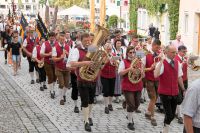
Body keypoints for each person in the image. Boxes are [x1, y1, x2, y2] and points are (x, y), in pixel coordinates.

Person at [154, 45, 186, 133]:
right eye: (172, 52)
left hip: (175, 92)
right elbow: (156, 75)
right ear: (166, 52)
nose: (174, 54)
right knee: (169, 114)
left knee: (171, 116)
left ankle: (164, 130)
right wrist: (161, 61)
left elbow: (179, 77)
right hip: (164, 93)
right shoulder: (162, 63)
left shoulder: (177, 63)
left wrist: (183, 89)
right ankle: (165, 131)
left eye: (175, 52)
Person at [69, 33, 96, 132]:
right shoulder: (77, 50)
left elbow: (98, 62)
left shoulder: (93, 49)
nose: (88, 43)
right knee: (85, 100)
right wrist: (85, 63)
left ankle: (88, 116)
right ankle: (86, 122)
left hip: (93, 78)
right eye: (86, 41)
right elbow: (72, 63)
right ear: (81, 40)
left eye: (89, 41)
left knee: (91, 100)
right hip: (82, 79)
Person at [118, 46, 143, 131]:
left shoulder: (139, 62)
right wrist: (129, 69)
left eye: (133, 52)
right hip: (128, 86)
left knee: (137, 104)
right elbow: (120, 73)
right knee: (131, 105)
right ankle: (130, 122)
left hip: (138, 85)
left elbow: (142, 75)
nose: (132, 54)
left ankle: (129, 112)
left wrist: (142, 72)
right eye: (130, 52)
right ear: (127, 53)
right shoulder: (123, 62)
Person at [142, 39, 161, 126]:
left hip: (157, 79)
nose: (158, 49)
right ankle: (153, 117)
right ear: (153, 45)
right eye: (156, 47)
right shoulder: (146, 55)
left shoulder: (160, 55)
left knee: (155, 98)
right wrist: (150, 68)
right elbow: (142, 69)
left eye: (159, 47)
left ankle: (148, 112)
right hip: (149, 80)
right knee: (153, 98)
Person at [52, 31, 70, 105]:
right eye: (61, 39)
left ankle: (64, 94)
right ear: (58, 39)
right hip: (58, 68)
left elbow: (71, 57)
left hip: (67, 68)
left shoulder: (68, 47)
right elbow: (54, 59)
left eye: (64, 39)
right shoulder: (55, 48)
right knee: (61, 84)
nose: (63, 41)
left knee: (66, 84)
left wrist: (68, 54)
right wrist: (61, 57)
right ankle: (61, 98)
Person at [101, 42, 117, 114]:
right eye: (108, 49)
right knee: (106, 90)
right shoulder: (102, 56)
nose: (109, 50)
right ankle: (106, 106)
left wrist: (115, 63)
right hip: (104, 75)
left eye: (110, 49)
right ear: (105, 49)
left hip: (113, 75)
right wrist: (105, 61)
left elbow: (116, 65)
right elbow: (100, 67)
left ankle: (110, 104)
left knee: (111, 91)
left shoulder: (113, 55)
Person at [174, 45, 188, 124]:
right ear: (179, 51)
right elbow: (176, 70)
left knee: (183, 97)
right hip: (178, 80)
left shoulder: (185, 58)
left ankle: (176, 111)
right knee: (179, 98)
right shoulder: (176, 59)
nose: (185, 53)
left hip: (185, 79)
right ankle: (180, 116)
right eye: (183, 52)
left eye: (185, 52)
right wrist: (182, 64)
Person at [40, 32, 57, 99]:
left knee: (55, 77)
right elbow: (41, 54)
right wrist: (48, 54)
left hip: (55, 63)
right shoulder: (45, 44)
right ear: (48, 37)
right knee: (50, 76)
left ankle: (52, 88)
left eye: (53, 36)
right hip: (47, 62)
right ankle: (51, 91)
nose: (52, 38)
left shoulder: (57, 43)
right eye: (51, 36)